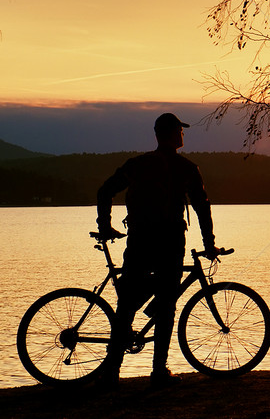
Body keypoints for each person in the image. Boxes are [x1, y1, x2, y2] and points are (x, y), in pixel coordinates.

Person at [95, 112, 220, 387]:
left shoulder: (137, 164)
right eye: (180, 132)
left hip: (139, 239)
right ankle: (159, 371)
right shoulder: (188, 168)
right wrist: (209, 243)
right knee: (166, 306)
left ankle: (111, 372)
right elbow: (202, 207)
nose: (183, 136)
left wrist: (105, 225)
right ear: (173, 134)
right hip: (170, 241)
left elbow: (105, 191)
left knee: (127, 304)